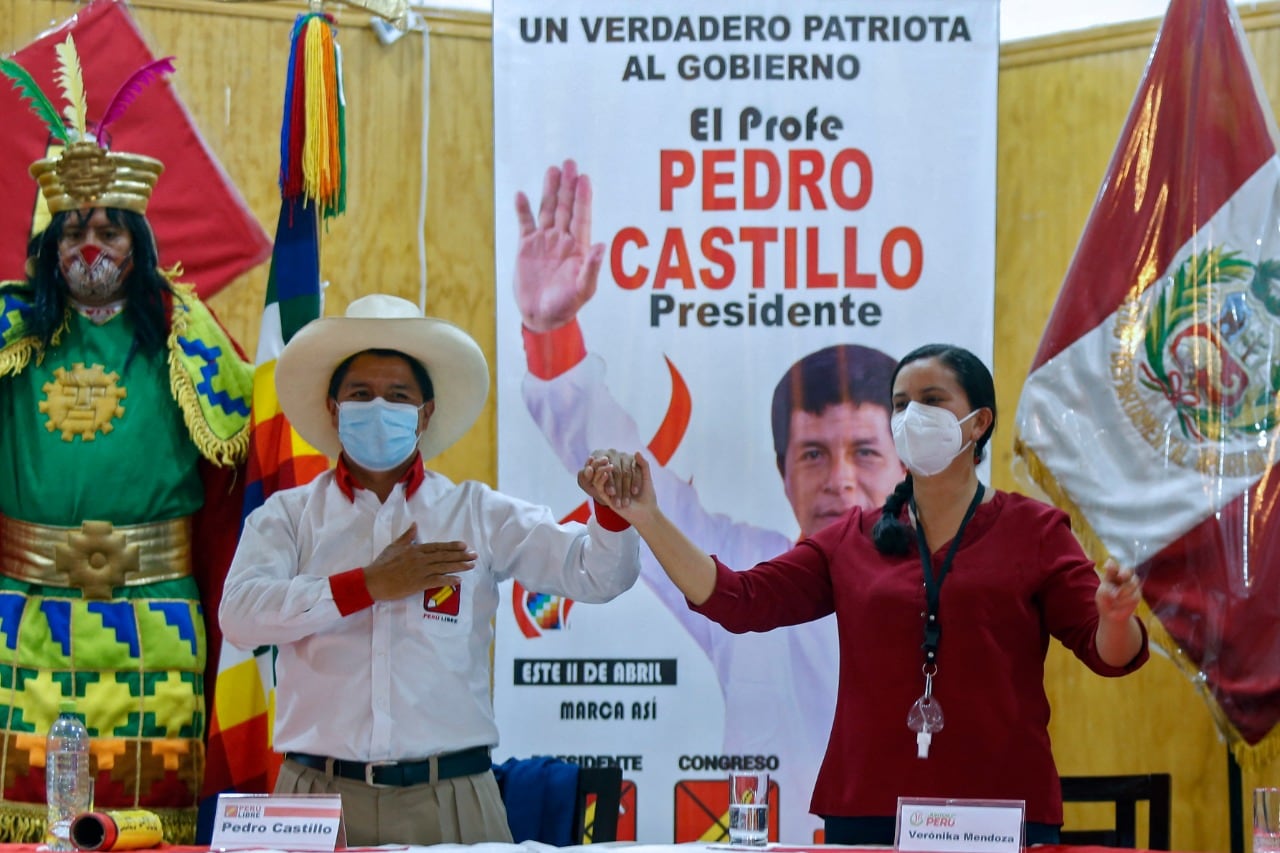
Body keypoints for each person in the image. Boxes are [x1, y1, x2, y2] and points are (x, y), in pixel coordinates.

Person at [592, 342, 1149, 845]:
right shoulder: (850, 539)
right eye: (901, 403)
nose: (911, 416)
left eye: (931, 399)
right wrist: (646, 516)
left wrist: (1117, 617)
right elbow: (739, 601)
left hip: (1000, 810)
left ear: (979, 423)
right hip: (870, 806)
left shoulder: (1036, 530)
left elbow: (1110, 654)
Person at [514, 159, 906, 840]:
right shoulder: (750, 570)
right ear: (783, 472)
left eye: (865, 452)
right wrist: (553, 338)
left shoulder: (958, 577)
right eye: (813, 453)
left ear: (907, 464)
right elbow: (627, 470)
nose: (840, 479)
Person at [218, 293, 642, 846]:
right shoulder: (291, 517)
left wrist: (610, 516)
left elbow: (595, 575)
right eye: (360, 394)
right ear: (332, 408)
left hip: (452, 799)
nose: (377, 407)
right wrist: (365, 586)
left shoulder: (477, 513)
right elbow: (241, 616)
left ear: (425, 413)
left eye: (398, 396)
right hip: (315, 799)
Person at [0, 46, 251, 841]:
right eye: (73, 229)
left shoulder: (185, 329)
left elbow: (247, 453)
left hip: (156, 613)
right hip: (22, 609)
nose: (91, 245)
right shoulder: (9, 330)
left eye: (109, 228)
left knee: (152, 808)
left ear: (138, 240)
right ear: (49, 244)